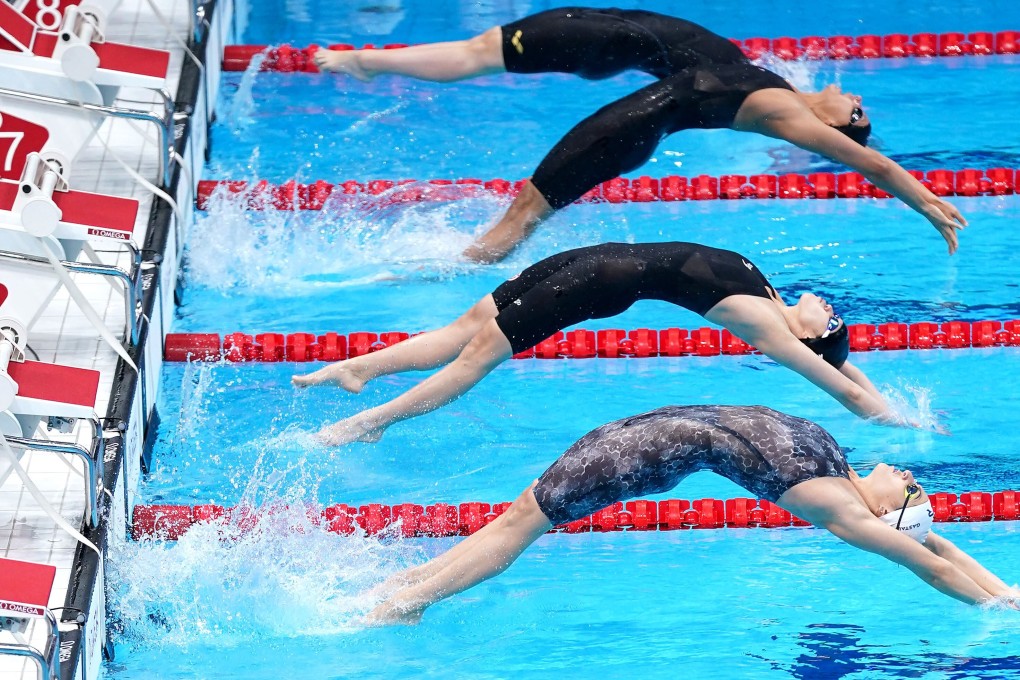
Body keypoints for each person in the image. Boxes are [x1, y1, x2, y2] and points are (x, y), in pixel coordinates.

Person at [313, 8, 967, 262]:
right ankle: (369, 64)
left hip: (625, 124)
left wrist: (924, 198)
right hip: (615, 58)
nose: (857, 97)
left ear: (840, 124)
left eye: (857, 111)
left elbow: (871, 167)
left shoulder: (790, 114)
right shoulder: (767, 80)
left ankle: (409, 273)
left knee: (514, 225)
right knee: (483, 53)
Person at [362, 405, 1018, 625]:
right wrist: (1009, 590)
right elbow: (939, 548)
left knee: (521, 527)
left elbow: (929, 564)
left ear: (886, 515)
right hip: (643, 430)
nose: (912, 479)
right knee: (516, 517)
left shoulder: (839, 507)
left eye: (911, 494)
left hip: (641, 452)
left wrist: (994, 609)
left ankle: (408, 600)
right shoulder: (841, 469)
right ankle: (409, 588)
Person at [293, 241, 903, 446]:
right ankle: (359, 370)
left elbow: (839, 386)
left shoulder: (771, 329)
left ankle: (371, 422)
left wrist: (902, 421)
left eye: (831, 322)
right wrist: (860, 369)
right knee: (465, 327)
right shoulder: (772, 296)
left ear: (807, 338)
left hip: (604, 280)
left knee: (477, 356)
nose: (831, 311)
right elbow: (846, 366)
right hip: (595, 258)